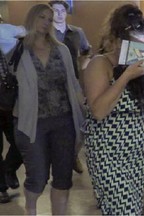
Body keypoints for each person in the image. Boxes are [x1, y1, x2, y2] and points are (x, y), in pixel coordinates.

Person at [82, 4, 144, 215]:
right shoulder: (100, 63)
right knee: (122, 210)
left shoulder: (139, 69)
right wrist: (125, 77)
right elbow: (98, 111)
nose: (141, 51)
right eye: (137, 45)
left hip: (137, 150)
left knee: (134, 207)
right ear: (121, 42)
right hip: (108, 151)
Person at [12, 4, 83, 215]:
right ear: (31, 18)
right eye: (41, 17)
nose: (45, 22)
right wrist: (22, 32)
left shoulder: (61, 49)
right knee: (38, 176)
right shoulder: (17, 49)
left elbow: (73, 83)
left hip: (64, 121)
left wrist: (85, 109)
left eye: (49, 19)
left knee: (63, 177)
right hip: (31, 122)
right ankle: (31, 208)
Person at [48, 0, 92, 174]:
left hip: (73, 83)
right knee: (57, 126)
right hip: (50, 86)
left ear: (66, 13)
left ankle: (73, 156)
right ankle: (58, 163)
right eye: (55, 10)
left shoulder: (76, 32)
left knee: (81, 121)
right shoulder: (45, 33)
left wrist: (85, 63)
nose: (59, 13)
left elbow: (87, 49)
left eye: (62, 10)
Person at [0, 15, 25, 204]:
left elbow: (25, 31)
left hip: (8, 102)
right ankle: (2, 188)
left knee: (20, 142)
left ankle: (8, 170)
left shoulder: (8, 32)